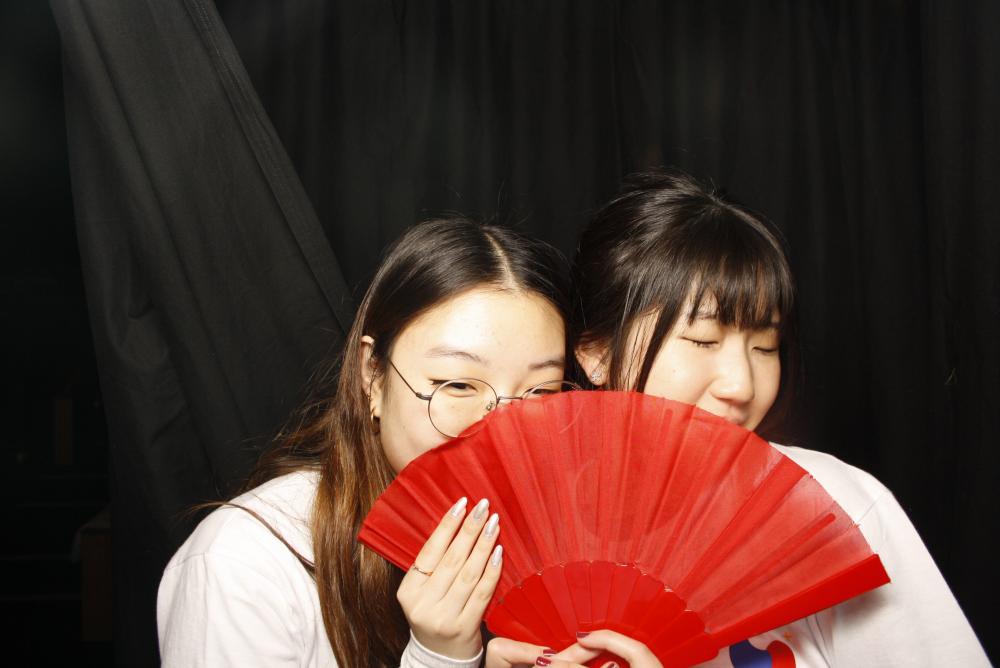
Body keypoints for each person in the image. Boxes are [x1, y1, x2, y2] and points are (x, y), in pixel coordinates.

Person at [485, 170, 989, 667]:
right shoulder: (529, 527)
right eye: (703, 340)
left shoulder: (839, 507)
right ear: (596, 352)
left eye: (764, 346)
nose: (742, 385)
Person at [157, 217, 579, 667]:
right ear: (372, 375)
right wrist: (438, 657)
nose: (498, 430)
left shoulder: (557, 547)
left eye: (541, 392)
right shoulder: (244, 562)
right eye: (457, 384)